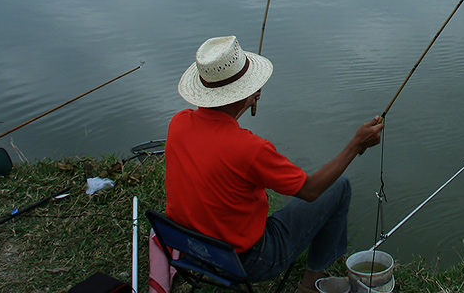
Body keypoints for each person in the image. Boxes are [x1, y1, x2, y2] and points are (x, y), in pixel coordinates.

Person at [164, 35, 384, 292]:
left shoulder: (178, 123)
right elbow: (311, 190)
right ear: (250, 91)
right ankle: (312, 283)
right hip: (247, 261)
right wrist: (355, 145)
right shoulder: (250, 148)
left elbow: (217, 142)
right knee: (339, 188)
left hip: (192, 248)